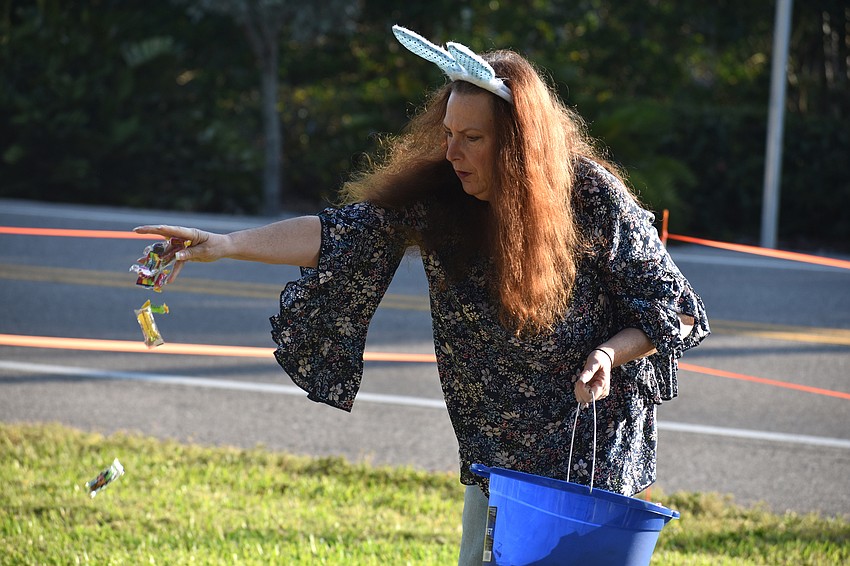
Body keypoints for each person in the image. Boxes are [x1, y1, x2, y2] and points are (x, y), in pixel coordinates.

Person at [135, 25, 709, 566]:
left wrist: (610, 354)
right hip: (499, 463)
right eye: (448, 134)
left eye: (473, 138)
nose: (452, 151)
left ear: (517, 144)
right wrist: (224, 244)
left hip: (592, 464)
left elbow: (676, 310)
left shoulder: (589, 195)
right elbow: (343, 233)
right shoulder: (443, 196)